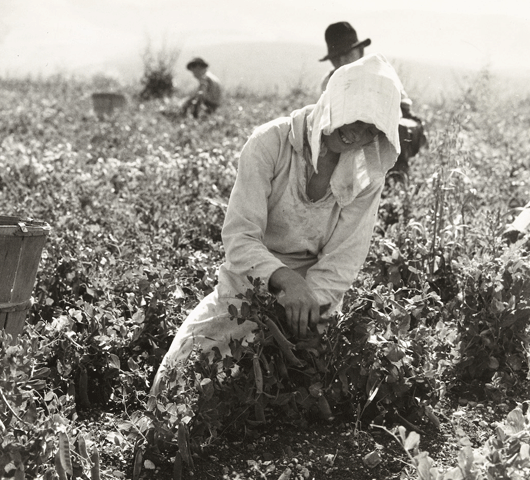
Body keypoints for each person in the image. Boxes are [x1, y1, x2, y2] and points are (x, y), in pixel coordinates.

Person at [152, 54, 403, 393]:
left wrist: (307, 300)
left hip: (316, 298)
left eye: (370, 129)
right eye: (354, 116)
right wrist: (285, 281)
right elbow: (240, 239)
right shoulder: (270, 142)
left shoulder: (364, 172)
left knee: (324, 386)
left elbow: (345, 256)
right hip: (249, 284)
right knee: (174, 384)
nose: (357, 133)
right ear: (333, 103)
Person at [319, 22, 425, 179]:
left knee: (394, 131)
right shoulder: (329, 81)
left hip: (394, 122)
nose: (342, 62)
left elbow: (397, 111)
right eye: (336, 58)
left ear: (360, 51)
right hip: (353, 130)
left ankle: (398, 180)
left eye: (347, 55)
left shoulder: (380, 74)